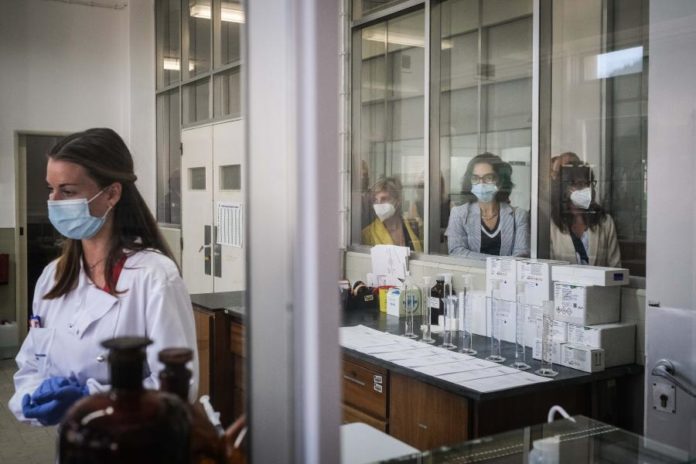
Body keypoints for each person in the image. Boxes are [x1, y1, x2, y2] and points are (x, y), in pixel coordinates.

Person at [9, 128, 198, 426]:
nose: (54, 201)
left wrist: (94, 401)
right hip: (76, 442)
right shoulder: (53, 277)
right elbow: (31, 365)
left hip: (135, 443)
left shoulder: (154, 276)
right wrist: (32, 397)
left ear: (111, 193)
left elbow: (178, 388)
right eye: (50, 189)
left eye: (67, 191)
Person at [446, 153, 529, 258]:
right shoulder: (458, 213)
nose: (481, 183)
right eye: (475, 178)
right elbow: (456, 252)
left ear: (500, 182)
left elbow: (521, 254)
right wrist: (497, 262)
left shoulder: (518, 216)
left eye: (488, 178)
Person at [550, 157, 621, 267]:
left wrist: (614, 277)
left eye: (588, 184)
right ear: (565, 188)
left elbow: (616, 269)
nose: (586, 189)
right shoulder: (552, 225)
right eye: (579, 184)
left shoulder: (605, 222)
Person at [361, 176, 423, 252]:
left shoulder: (412, 226)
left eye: (384, 199)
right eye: (376, 200)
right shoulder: (368, 234)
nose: (378, 204)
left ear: (398, 201)